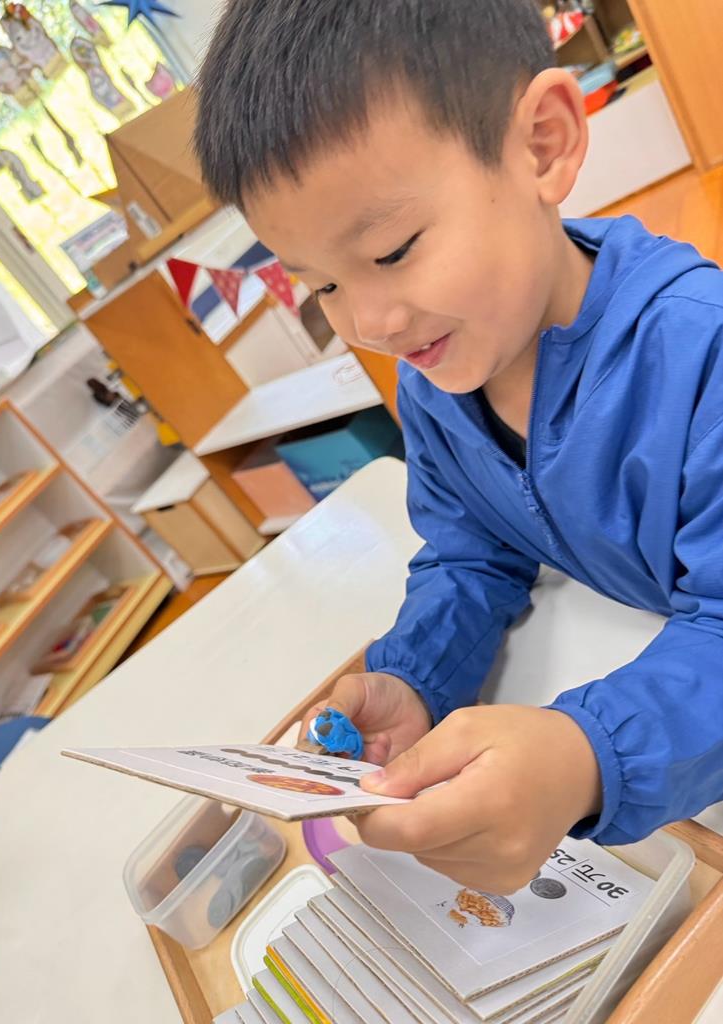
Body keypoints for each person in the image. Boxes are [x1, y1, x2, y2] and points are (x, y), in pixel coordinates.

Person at [194, 0, 723, 894]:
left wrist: (587, 755)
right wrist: (416, 677)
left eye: (392, 250)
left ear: (543, 145)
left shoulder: (698, 354)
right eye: (322, 286)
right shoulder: (438, 378)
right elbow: (473, 551)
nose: (370, 323)